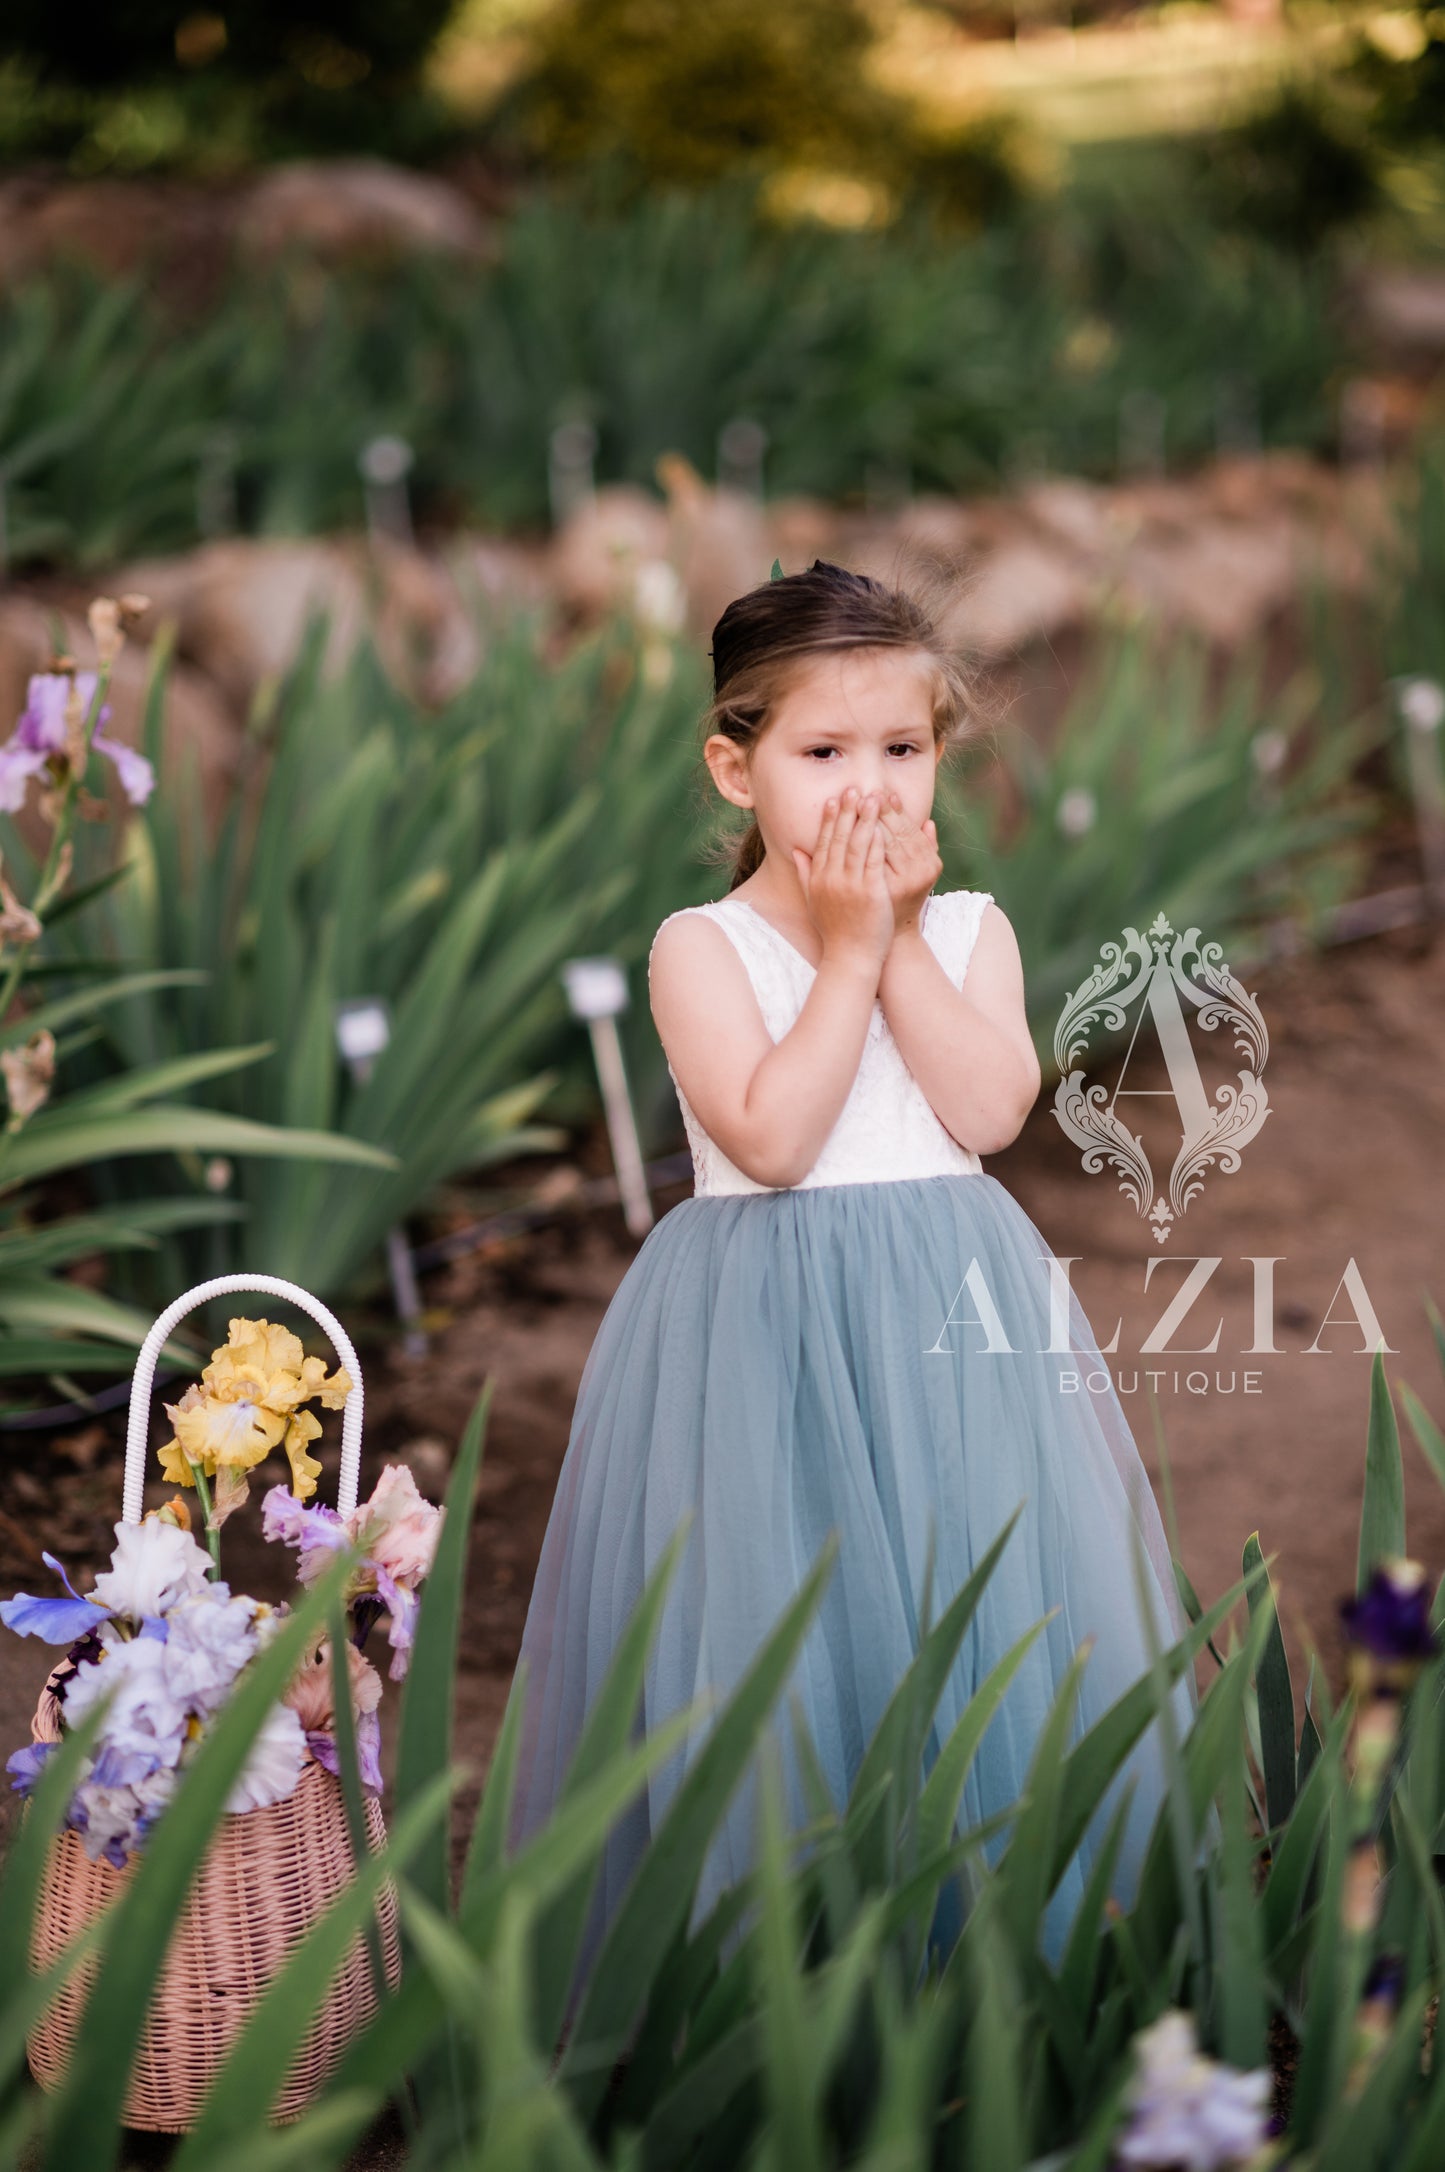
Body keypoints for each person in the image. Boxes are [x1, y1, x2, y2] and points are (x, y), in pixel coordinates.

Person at [509, 557, 1193, 1984]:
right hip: (756, 1328)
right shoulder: (698, 948)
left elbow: (989, 1111)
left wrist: (891, 951)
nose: (867, 788)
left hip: (949, 1315)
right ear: (732, 768)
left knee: (966, 1594)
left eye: (902, 750)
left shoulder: (968, 930)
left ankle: (989, 1969)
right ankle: (790, 1974)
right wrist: (841, 949)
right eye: (822, 753)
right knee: (789, 1627)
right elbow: (767, 1136)